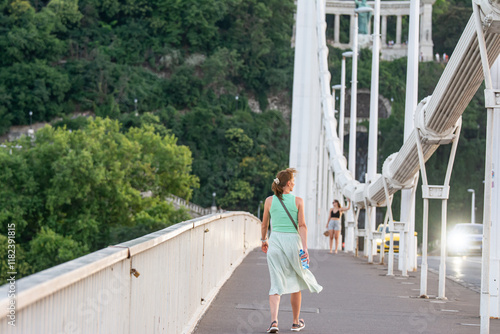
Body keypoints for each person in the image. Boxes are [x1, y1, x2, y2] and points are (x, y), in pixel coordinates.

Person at [261, 168, 323, 333]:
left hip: (275, 242)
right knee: (296, 283)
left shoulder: (269, 201)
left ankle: (274, 322)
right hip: (293, 244)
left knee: (275, 283)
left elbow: (264, 225)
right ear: (288, 183)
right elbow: (302, 226)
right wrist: (304, 248)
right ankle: (295, 323)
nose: (294, 183)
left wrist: (263, 240)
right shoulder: (298, 201)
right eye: (293, 180)